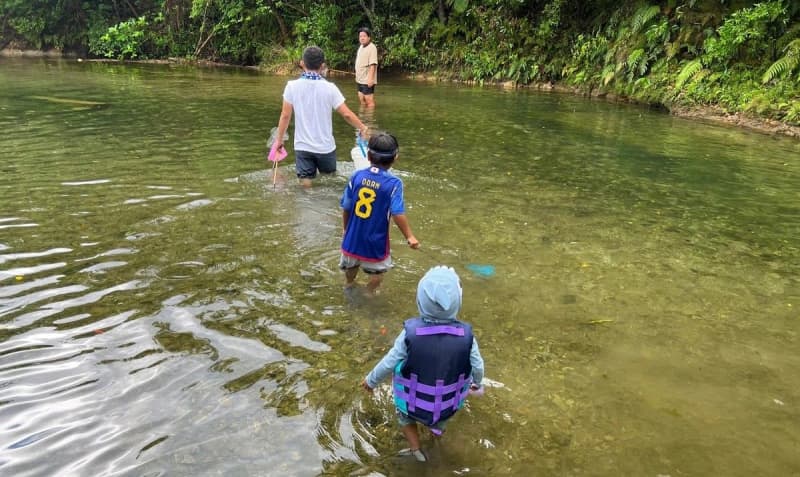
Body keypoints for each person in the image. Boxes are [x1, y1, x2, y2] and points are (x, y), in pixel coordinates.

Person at [361, 266, 486, 462]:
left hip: (411, 402)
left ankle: (416, 449)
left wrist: (371, 381)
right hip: (446, 403)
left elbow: (389, 361)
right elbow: (478, 366)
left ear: (420, 300)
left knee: (405, 419)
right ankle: (435, 436)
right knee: (440, 420)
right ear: (458, 301)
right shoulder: (466, 336)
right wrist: (477, 383)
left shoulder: (410, 334)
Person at [274, 46, 369, 188]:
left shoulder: (292, 86)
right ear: (322, 65)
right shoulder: (330, 88)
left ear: (302, 63)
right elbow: (347, 114)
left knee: (305, 182)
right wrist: (362, 127)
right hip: (326, 148)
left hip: (303, 146)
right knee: (329, 182)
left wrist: (279, 140)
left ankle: (308, 201)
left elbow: (285, 116)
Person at [339, 132, 419, 294]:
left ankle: (349, 284)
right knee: (378, 274)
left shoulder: (356, 176)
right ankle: (369, 292)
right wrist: (409, 236)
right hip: (375, 241)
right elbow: (397, 213)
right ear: (395, 157)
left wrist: (346, 229)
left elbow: (346, 206)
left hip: (352, 238)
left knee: (351, 265)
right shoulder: (394, 183)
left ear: (368, 155)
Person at [355, 27, 378, 108]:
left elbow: (373, 64)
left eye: (364, 36)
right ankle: (363, 116)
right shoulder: (361, 47)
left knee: (369, 100)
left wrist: (370, 79)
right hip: (360, 79)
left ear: (369, 37)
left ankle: (370, 119)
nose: (362, 38)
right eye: (360, 36)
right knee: (361, 98)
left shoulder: (372, 47)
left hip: (367, 79)